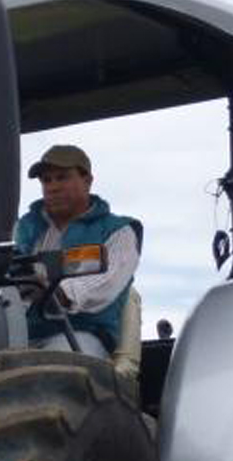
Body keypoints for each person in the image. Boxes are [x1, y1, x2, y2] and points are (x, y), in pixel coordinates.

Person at [13, 144, 141, 358]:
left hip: (81, 332)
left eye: (62, 177)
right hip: (20, 332)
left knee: (58, 367)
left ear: (88, 181)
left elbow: (107, 283)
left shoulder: (118, 231)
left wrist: (58, 292)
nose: (52, 187)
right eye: (46, 180)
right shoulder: (24, 229)